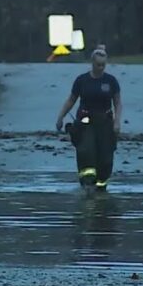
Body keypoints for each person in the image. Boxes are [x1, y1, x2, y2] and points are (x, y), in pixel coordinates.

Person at [56, 45, 122, 192]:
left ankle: (101, 185)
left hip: (105, 122)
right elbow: (71, 100)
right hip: (85, 122)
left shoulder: (111, 81)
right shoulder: (82, 80)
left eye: (103, 65)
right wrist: (61, 117)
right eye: (98, 65)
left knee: (106, 157)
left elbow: (117, 103)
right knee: (86, 152)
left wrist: (117, 122)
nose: (101, 67)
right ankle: (87, 184)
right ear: (92, 63)